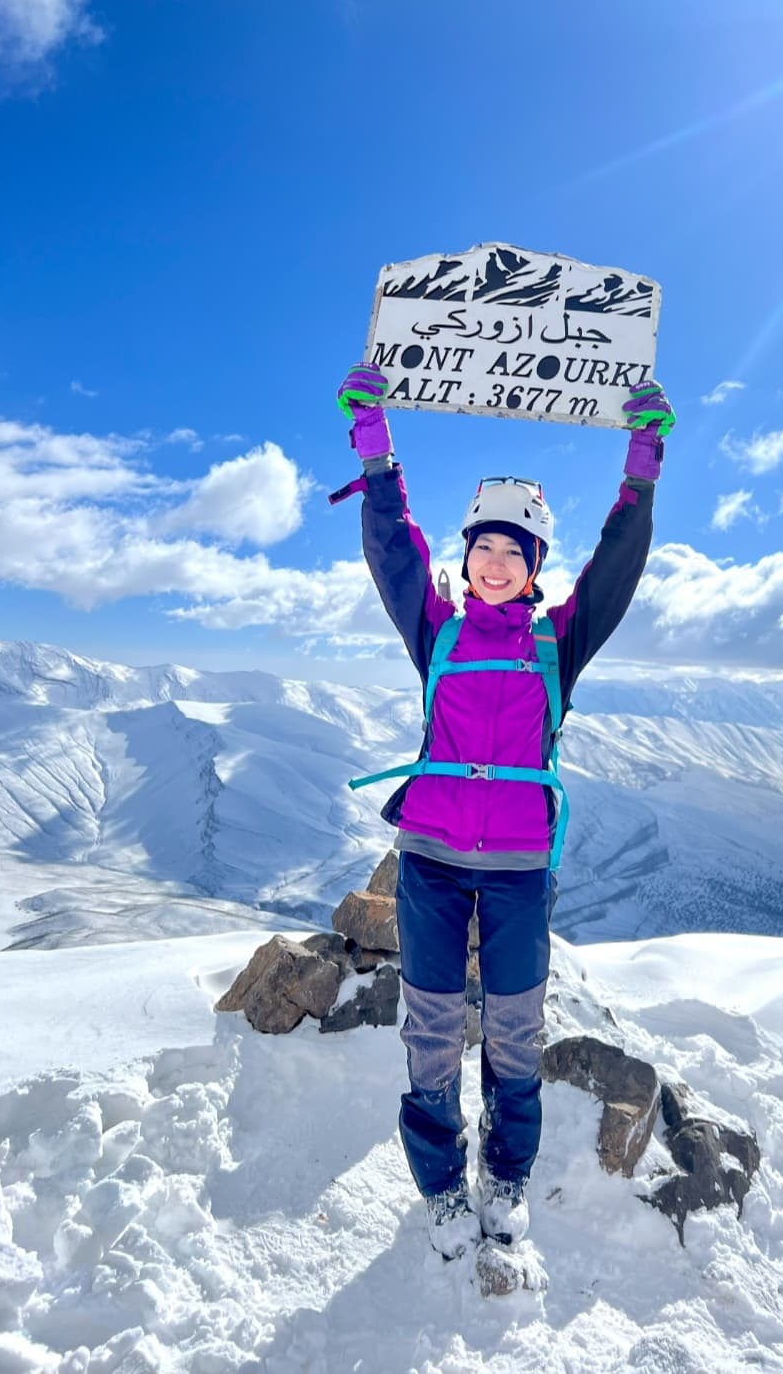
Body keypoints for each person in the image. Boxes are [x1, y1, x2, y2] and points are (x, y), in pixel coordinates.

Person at [334, 360, 674, 1259]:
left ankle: (507, 1176)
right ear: (469, 551)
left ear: (533, 567)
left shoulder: (558, 639)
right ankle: (443, 1182)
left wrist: (641, 467)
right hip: (434, 859)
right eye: (483, 545)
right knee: (433, 1029)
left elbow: (617, 567)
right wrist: (376, 451)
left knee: (517, 1036)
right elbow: (394, 552)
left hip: (522, 868)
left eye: (513, 551)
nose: (494, 561)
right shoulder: (437, 630)